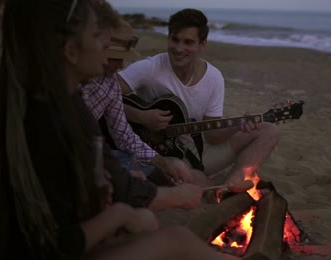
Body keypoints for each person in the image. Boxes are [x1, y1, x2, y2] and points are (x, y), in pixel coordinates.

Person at [0, 1, 244, 260]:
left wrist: (161, 163)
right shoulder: (50, 116)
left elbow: (119, 142)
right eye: (99, 38)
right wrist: (170, 197)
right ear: (70, 51)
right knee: (178, 239)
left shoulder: (56, 97)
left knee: (143, 218)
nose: (111, 54)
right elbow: (57, 242)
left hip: (60, 239)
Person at [117, 8, 279, 192]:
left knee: (268, 130)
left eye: (188, 42)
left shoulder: (214, 78)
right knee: (193, 178)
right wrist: (140, 116)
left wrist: (238, 125)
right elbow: (103, 94)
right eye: (174, 40)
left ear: (202, 44)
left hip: (196, 149)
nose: (178, 48)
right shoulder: (150, 67)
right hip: (158, 154)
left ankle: (228, 188)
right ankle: (211, 186)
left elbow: (212, 136)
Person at [81, 18, 206, 211]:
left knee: (176, 173)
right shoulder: (70, 82)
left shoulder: (111, 85)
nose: (121, 65)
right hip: (76, 159)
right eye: (115, 57)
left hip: (97, 154)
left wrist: (164, 162)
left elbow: (124, 136)